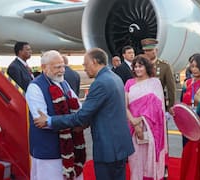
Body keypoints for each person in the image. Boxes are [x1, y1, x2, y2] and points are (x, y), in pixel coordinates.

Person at [34, 48, 135, 180]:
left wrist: (50, 121)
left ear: (94, 62)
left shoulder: (100, 83)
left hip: (108, 149)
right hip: (120, 146)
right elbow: (104, 111)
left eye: (85, 64)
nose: (84, 68)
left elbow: (81, 116)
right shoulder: (114, 77)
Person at [25, 50, 86, 180]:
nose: (62, 70)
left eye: (63, 66)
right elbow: (42, 122)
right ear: (44, 68)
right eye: (57, 67)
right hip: (48, 151)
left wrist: (74, 119)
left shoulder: (64, 83)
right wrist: (75, 120)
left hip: (69, 147)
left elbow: (79, 110)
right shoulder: (35, 88)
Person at [125, 55, 167, 180]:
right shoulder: (129, 83)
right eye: (135, 66)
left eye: (140, 66)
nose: (137, 69)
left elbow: (158, 108)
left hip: (151, 128)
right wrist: (134, 122)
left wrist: (141, 120)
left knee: (150, 158)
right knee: (135, 159)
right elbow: (124, 105)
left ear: (147, 67)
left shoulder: (155, 83)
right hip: (133, 128)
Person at [141, 38, 175, 111]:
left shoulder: (164, 66)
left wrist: (170, 106)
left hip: (158, 104)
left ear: (156, 50)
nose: (147, 53)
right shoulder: (140, 66)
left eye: (150, 50)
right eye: (145, 51)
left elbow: (171, 88)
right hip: (142, 105)